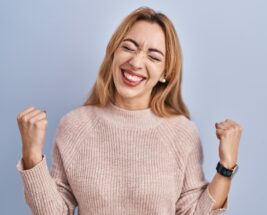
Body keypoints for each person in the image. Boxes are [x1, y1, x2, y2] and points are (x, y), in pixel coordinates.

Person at [16, 6, 243, 215]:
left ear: (166, 73)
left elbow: (193, 212)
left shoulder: (183, 132)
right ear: (113, 53)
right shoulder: (74, 125)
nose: (136, 62)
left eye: (153, 57)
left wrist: (227, 165)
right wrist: (32, 155)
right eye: (128, 47)